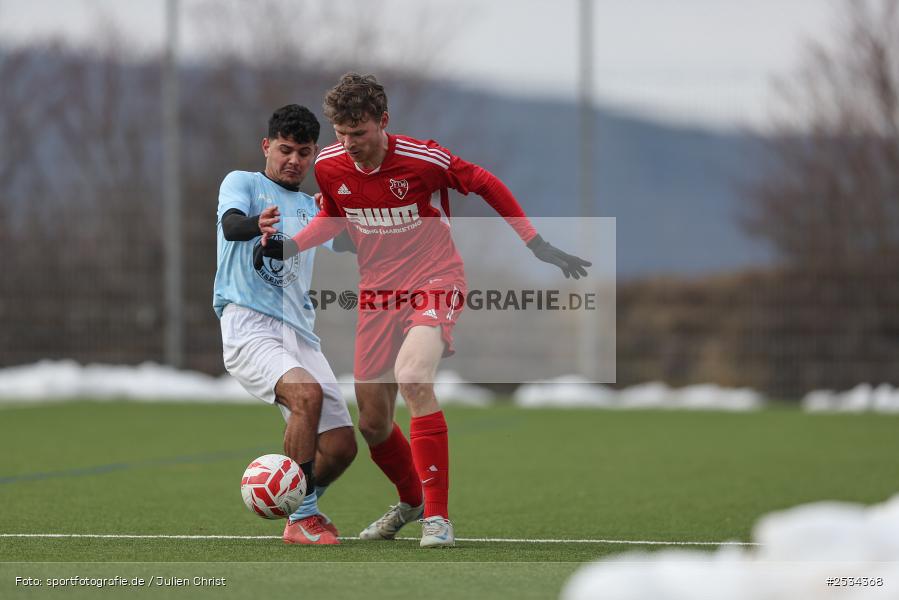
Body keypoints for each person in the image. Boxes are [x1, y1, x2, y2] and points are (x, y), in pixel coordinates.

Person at [258, 74, 590, 548]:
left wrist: (534, 242)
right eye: (341, 133)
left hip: (435, 281)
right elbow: (332, 216)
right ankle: (411, 502)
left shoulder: (423, 159)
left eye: (359, 132)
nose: (349, 144)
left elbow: (486, 183)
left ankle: (437, 518)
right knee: (372, 424)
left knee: (413, 376)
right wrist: (291, 246)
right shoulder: (330, 165)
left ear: (383, 121)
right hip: (377, 294)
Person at [213, 104, 357, 545]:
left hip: (300, 334)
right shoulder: (243, 183)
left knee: (341, 447)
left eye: (304, 152)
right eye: (285, 149)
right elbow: (231, 225)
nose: (294, 160)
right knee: (305, 395)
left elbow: (349, 245)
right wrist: (256, 223)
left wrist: (349, 211)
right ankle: (301, 518)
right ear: (267, 146)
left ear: (314, 154)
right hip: (249, 325)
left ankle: (299, 501)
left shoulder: (313, 206)